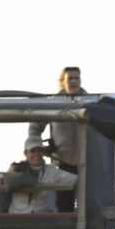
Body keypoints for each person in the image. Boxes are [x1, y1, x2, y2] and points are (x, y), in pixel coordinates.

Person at [28, 66, 85, 211]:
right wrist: (37, 149)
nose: (73, 81)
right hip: (62, 163)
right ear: (62, 82)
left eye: (76, 78)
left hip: (87, 162)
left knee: (88, 204)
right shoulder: (53, 104)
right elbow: (34, 128)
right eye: (70, 78)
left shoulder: (90, 103)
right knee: (64, 205)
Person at [0, 137, 77, 214]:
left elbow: (76, 180)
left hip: (44, 219)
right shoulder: (17, 169)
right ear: (25, 153)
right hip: (18, 218)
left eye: (39, 150)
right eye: (32, 151)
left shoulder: (52, 171)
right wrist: (7, 176)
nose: (36, 154)